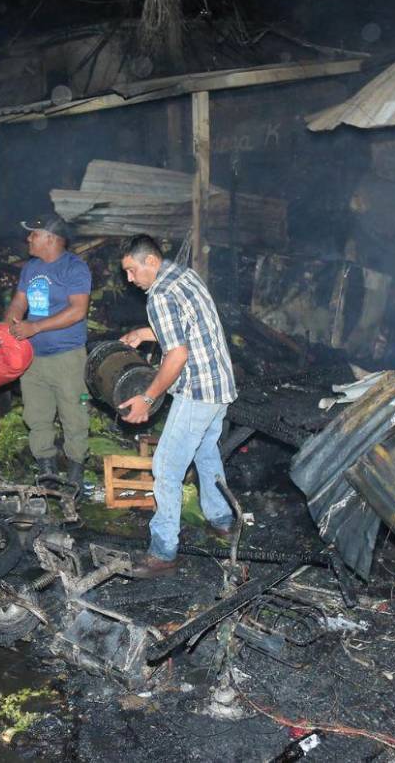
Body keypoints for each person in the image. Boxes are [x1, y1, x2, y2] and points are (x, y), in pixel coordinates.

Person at [118, 234, 237, 578]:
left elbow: (177, 355)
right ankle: (222, 520)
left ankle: (163, 551)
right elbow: (187, 328)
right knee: (205, 451)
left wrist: (147, 398)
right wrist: (145, 332)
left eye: (131, 271)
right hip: (221, 386)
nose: (129, 280)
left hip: (198, 391)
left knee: (166, 467)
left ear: (150, 262)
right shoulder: (184, 275)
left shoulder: (160, 293)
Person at [4, 215, 91, 483]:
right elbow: (19, 302)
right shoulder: (31, 268)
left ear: (50, 238)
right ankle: (46, 470)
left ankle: (75, 471)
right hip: (32, 357)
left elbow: (78, 310)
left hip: (67, 357)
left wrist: (36, 327)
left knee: (74, 416)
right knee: (37, 414)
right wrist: (9, 325)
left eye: (34, 234)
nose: (29, 238)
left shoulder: (74, 268)